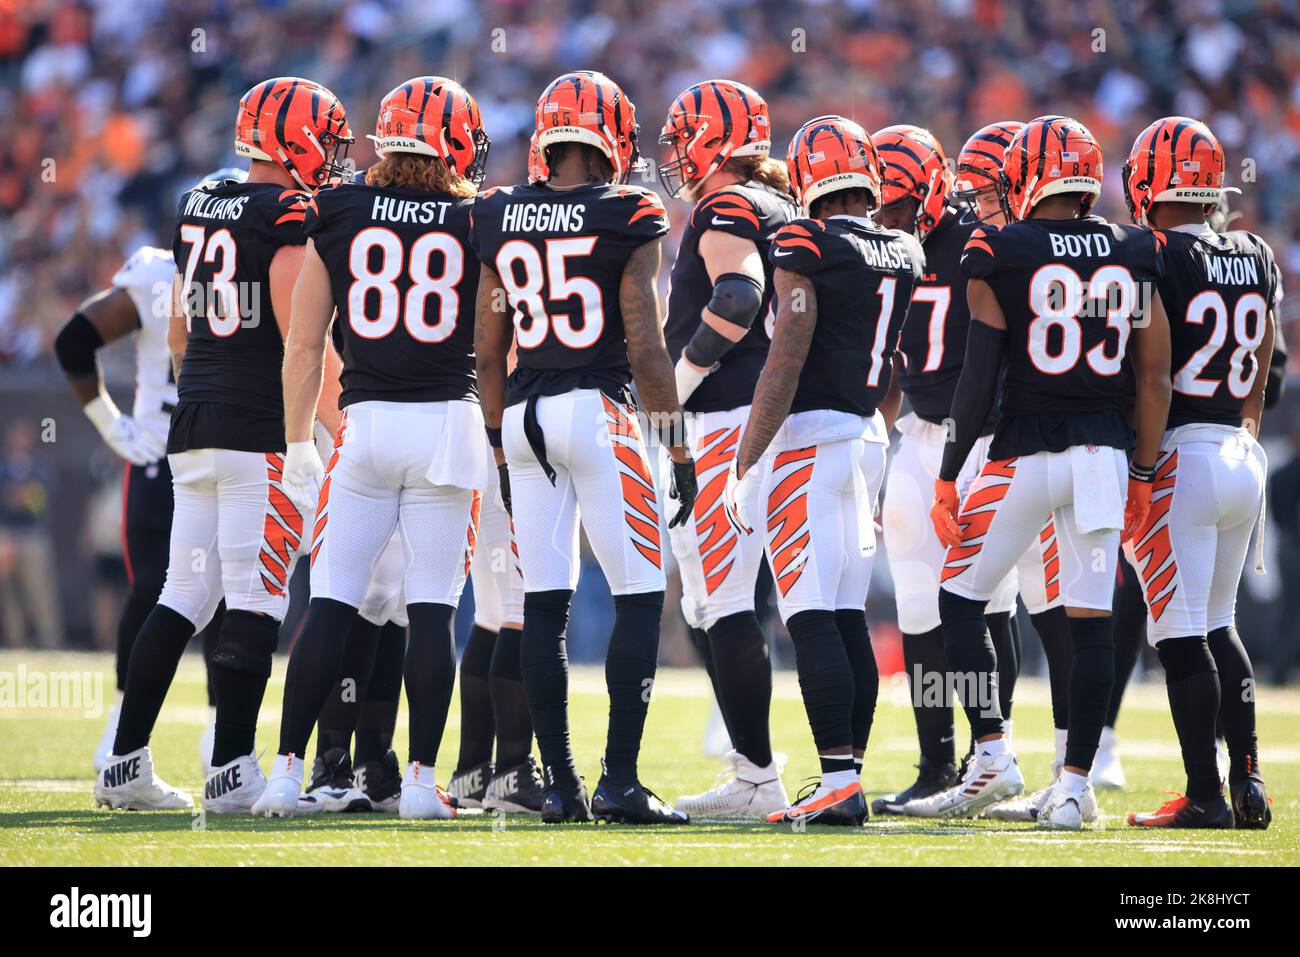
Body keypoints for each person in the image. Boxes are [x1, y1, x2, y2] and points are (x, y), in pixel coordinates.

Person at [93, 77, 353, 813]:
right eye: (326, 139)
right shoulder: (286, 213)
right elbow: (303, 342)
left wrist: (204, 388)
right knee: (258, 598)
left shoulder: (200, 202)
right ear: (295, 138)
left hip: (195, 419)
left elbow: (179, 329)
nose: (332, 156)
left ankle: (124, 762)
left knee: (183, 592)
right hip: (259, 428)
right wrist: (341, 424)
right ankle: (233, 769)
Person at [912, 115, 1172, 829]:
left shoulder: (999, 245)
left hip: (1021, 453)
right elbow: (1153, 381)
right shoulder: (1134, 248)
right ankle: (1075, 784)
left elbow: (979, 376)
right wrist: (1144, 474)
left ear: (1025, 177)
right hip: (1103, 459)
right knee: (1090, 622)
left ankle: (991, 750)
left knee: (960, 599)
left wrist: (946, 472)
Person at [254, 77, 489, 820]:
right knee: (430, 611)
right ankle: (419, 781)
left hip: (365, 424)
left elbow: (303, 343)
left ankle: (288, 774)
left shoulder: (338, 207)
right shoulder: (479, 219)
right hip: (449, 425)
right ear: (454, 141)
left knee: (329, 603)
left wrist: (297, 439)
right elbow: (493, 336)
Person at [473, 70, 697, 824]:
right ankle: (620, 781)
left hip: (525, 414)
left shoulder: (500, 213)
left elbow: (487, 347)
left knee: (544, 604)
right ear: (614, 138)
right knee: (638, 596)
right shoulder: (630, 209)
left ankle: (562, 786)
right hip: (599, 413)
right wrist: (677, 446)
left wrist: (500, 448)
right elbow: (646, 341)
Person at [727, 114, 921, 826]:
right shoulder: (903, 246)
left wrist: (744, 463)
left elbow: (788, 352)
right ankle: (848, 778)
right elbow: (893, 360)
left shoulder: (805, 239)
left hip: (809, 436)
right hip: (867, 434)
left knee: (808, 613)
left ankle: (838, 780)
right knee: (844, 614)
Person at [871, 123, 1042, 814]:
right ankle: (939, 762)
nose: (887, 216)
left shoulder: (979, 239)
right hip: (914, 431)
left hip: (979, 439)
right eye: (877, 201)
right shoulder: (874, 242)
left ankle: (989, 752)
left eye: (898, 202)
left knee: (987, 600)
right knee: (917, 606)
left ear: (935, 188)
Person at [1121, 117, 1276, 829]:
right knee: (1220, 624)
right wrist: (1244, 430)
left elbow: (1153, 380)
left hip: (1182, 450)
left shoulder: (1153, 253)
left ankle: (1205, 793)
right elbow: (1268, 353)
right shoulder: (1255, 252)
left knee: (1179, 633)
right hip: (1243, 452)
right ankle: (1248, 781)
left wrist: (1144, 471)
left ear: (1149, 180)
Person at [53, 188, 240, 774]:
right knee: (164, 592)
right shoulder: (162, 276)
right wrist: (109, 422)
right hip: (175, 453)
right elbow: (74, 341)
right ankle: (126, 731)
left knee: (221, 593)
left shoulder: (240, 274)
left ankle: (213, 736)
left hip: (206, 452)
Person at [656, 79, 798, 819]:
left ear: (716, 140)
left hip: (726, 420)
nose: (675, 154)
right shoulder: (782, 205)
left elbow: (737, 300)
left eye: (685, 138)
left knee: (723, 600)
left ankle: (757, 776)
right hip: (766, 417)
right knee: (721, 601)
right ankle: (755, 767)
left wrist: (669, 391)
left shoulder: (728, 205)